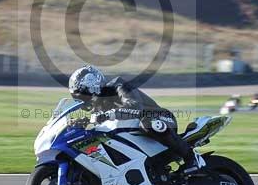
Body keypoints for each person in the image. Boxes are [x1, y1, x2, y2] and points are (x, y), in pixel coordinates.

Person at [68, 65, 204, 173]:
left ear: (92, 87)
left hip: (160, 118)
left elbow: (135, 107)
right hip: (137, 134)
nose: (81, 101)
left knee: (148, 123)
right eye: (78, 98)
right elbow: (97, 121)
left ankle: (191, 157)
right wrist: (82, 123)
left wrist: (110, 114)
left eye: (82, 96)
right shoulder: (98, 105)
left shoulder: (118, 86)